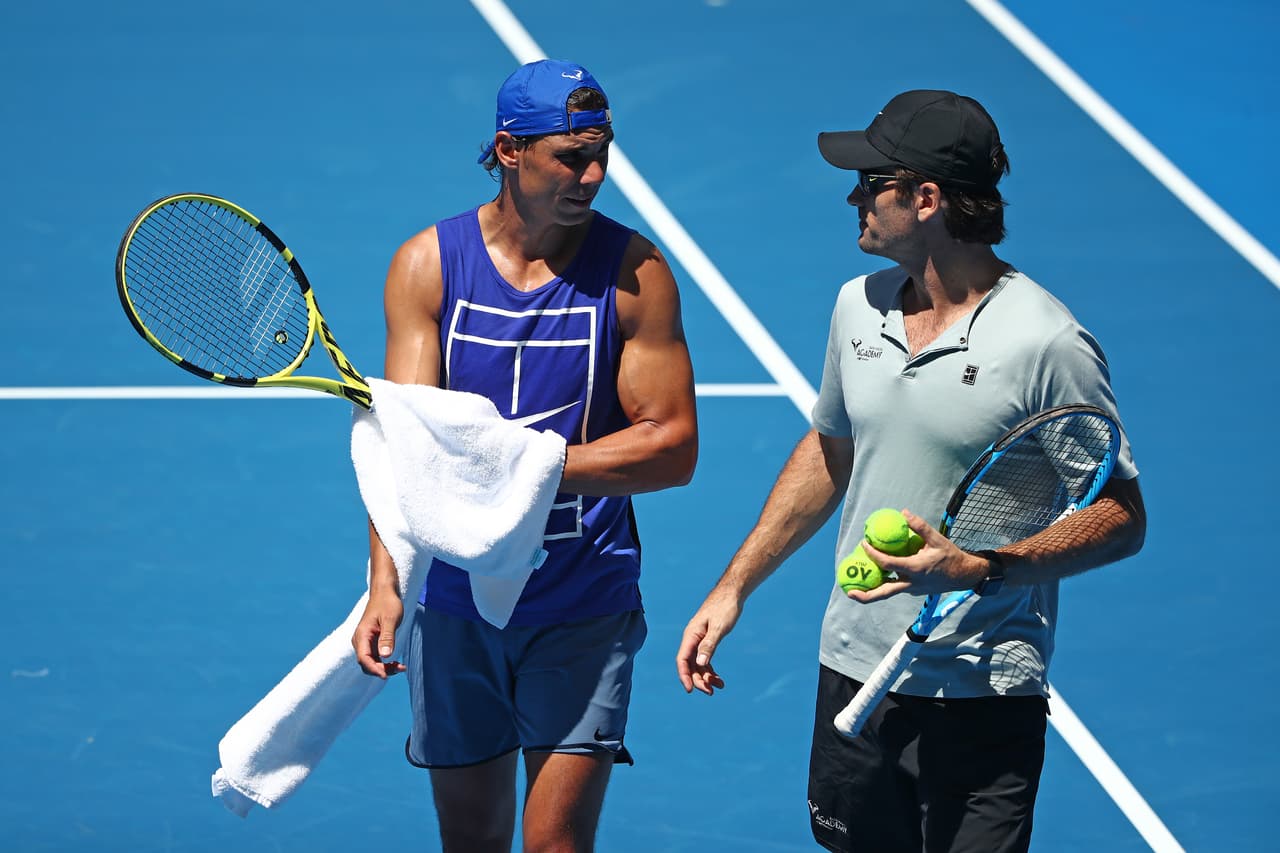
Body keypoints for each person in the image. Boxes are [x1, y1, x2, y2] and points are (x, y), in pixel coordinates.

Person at [676, 89, 1146, 853]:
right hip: (857, 663)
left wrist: (983, 566)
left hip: (982, 688)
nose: (853, 195)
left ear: (926, 199)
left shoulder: (1046, 344)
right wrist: (736, 584)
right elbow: (834, 448)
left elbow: (1122, 515)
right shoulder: (856, 306)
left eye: (871, 182)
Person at [351, 59, 698, 853]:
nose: (594, 173)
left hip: (583, 598)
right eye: (571, 156)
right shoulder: (428, 266)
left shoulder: (634, 273)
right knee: (471, 840)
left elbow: (673, 446)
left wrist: (522, 469)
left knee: (555, 846)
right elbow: (404, 445)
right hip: (454, 607)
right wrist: (384, 582)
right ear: (510, 150)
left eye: (602, 151)